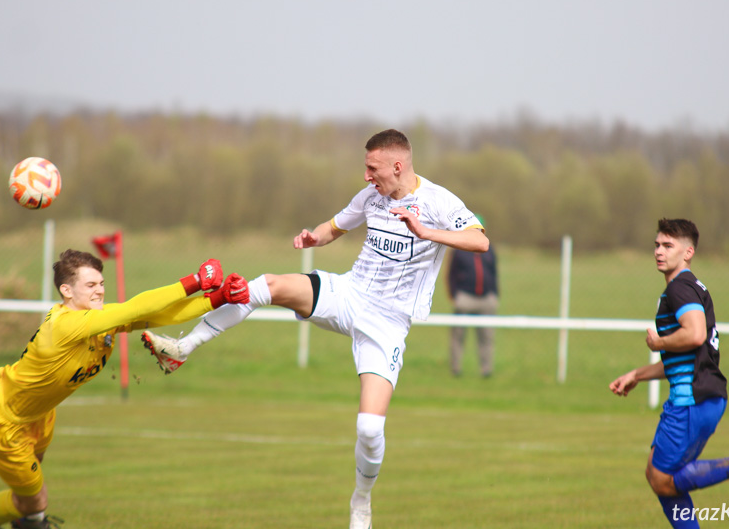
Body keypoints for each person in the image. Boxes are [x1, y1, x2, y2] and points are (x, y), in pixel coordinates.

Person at [141, 128, 489, 529]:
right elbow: (334, 227)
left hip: (388, 323)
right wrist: (313, 237)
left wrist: (426, 232)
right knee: (267, 285)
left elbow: (479, 242)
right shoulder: (371, 197)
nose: (366, 176)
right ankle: (183, 349)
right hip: (349, 293)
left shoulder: (438, 202)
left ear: (397, 165)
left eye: (372, 167)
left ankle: (361, 499)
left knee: (370, 428)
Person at [0, 250, 249, 529]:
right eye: (90, 285)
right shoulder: (64, 325)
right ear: (66, 290)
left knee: (28, 493)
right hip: (3, 423)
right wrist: (196, 281)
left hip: (40, 416)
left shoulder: (97, 320)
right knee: (36, 501)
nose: (99, 291)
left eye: (101, 284)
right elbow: (136, 307)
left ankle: (11, 519)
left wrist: (217, 299)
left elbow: (159, 316)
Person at [609, 218, 729, 529]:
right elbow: (686, 355)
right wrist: (637, 374)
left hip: (691, 399)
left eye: (668, 246)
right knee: (656, 473)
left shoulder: (679, 289)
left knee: (663, 479)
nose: (658, 252)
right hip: (702, 395)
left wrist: (657, 342)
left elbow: (694, 335)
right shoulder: (689, 287)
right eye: (656, 245)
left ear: (688, 252)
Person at [446, 218, 498, 377]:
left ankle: (486, 370)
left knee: (487, 336)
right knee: (458, 335)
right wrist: (454, 295)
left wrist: (495, 295)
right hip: (465, 298)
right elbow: (451, 274)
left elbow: (494, 273)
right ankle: (456, 368)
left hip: (486, 299)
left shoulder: (489, 249)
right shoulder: (459, 250)